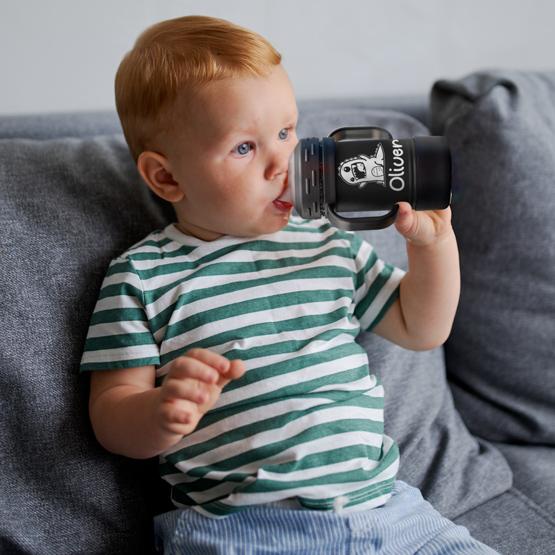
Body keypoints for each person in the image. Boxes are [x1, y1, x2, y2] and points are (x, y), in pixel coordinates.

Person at [80, 15, 498, 554]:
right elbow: (111, 413)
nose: (284, 161)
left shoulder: (328, 243)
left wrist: (433, 245)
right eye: (244, 148)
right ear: (166, 177)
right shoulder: (143, 275)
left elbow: (422, 327)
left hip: (389, 514)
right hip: (245, 531)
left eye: (285, 131)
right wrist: (162, 412)